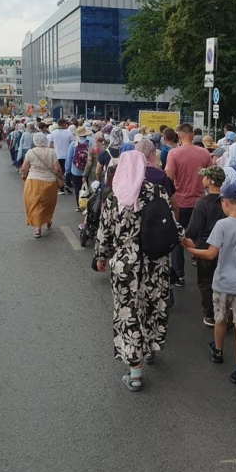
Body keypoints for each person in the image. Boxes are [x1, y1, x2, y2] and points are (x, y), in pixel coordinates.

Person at [95, 151, 183, 392]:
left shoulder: (114, 195)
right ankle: (151, 348)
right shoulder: (158, 191)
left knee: (128, 311)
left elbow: (105, 231)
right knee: (152, 306)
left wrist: (101, 257)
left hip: (125, 264)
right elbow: (173, 227)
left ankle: (135, 372)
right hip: (156, 261)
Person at [185, 183, 236, 388]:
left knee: (220, 319)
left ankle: (218, 351)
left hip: (223, 281)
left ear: (224, 202)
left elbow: (211, 254)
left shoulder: (222, 225)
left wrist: (191, 250)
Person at [165, 124, 212, 286]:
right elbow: (211, 177)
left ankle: (180, 275)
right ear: (192, 135)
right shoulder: (204, 153)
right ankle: (203, 274)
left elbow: (168, 179)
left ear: (179, 135)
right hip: (200, 202)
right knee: (201, 238)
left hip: (180, 202)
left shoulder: (174, 154)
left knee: (178, 239)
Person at [184, 166, 226, 327]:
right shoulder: (226, 201)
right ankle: (224, 311)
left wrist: (186, 237)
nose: (202, 179)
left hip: (205, 245)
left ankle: (210, 314)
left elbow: (194, 227)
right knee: (222, 278)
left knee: (206, 281)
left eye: (204, 177)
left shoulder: (202, 202)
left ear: (209, 181)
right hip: (224, 245)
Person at [21, 132, 62, 238]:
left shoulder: (30, 152)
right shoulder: (51, 152)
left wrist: (24, 175)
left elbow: (24, 168)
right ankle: (48, 220)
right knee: (48, 203)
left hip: (33, 181)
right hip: (49, 182)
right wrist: (59, 177)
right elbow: (57, 169)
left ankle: (37, 228)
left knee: (34, 203)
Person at [65, 126, 90, 210]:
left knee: (77, 189)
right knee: (88, 187)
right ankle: (88, 205)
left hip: (76, 170)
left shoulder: (73, 144)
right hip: (87, 170)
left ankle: (79, 206)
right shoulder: (90, 142)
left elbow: (69, 158)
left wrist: (67, 170)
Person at [48, 119, 75, 194]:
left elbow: (50, 145)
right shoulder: (69, 133)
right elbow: (73, 143)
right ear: (64, 124)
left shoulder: (53, 133)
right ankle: (67, 183)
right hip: (67, 155)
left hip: (57, 155)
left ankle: (61, 188)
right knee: (67, 171)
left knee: (58, 172)